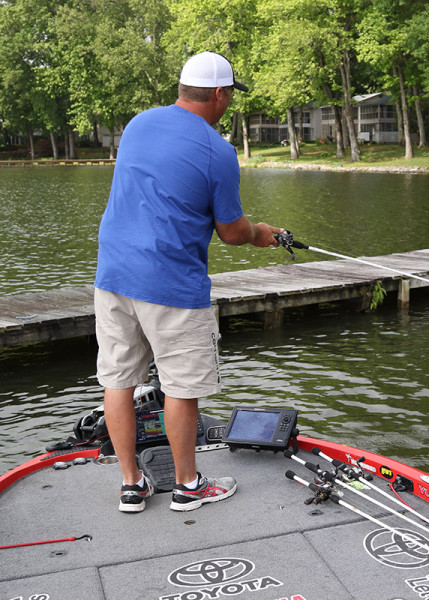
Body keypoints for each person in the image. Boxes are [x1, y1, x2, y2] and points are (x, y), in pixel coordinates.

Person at [94, 51, 283, 513]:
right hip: (171, 284)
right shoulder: (218, 151)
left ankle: (131, 485)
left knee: (118, 381)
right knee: (181, 386)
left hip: (113, 274)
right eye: (230, 95)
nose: (229, 103)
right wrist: (263, 233)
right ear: (219, 94)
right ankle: (188, 486)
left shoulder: (138, 124)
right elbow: (232, 232)